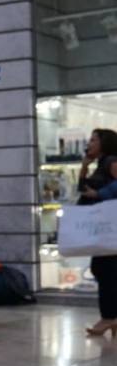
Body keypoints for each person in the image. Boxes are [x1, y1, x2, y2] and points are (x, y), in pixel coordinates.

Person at [79, 128, 117, 337]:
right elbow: (83, 191)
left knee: (105, 269)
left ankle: (108, 317)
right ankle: (110, 318)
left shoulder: (111, 161)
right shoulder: (99, 165)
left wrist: (99, 193)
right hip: (102, 226)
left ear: (104, 142)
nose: (90, 143)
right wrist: (84, 167)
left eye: (94, 139)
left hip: (110, 225)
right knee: (104, 269)